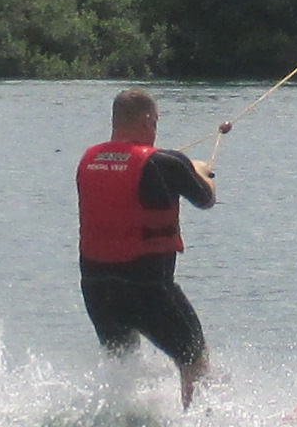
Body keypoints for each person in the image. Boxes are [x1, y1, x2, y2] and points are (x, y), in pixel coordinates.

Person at [75, 86, 220, 407]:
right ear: (145, 120)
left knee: (122, 365)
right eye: (155, 122)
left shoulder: (88, 160)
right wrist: (202, 171)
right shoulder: (166, 163)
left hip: (98, 291)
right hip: (147, 290)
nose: (155, 129)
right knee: (194, 359)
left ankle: (119, 425)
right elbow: (206, 198)